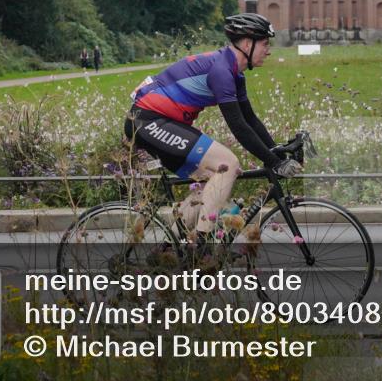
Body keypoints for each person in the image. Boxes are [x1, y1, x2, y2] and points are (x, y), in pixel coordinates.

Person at [124, 13, 301, 249]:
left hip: (157, 122)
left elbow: (250, 119)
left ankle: (170, 249)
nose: (268, 50)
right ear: (247, 44)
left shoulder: (234, 72)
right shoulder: (221, 71)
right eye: (265, 43)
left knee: (211, 182)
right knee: (226, 163)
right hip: (147, 121)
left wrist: (277, 154)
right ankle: (201, 243)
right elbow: (238, 126)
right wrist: (273, 161)